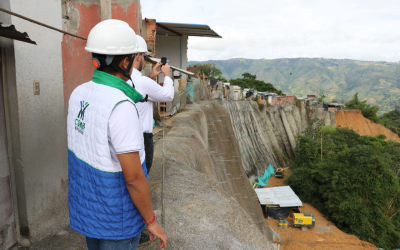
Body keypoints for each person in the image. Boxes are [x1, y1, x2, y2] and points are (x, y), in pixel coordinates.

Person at [67, 19, 167, 250]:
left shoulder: (78, 93)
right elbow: (132, 178)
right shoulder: (121, 106)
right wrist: (151, 221)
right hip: (115, 217)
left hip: (89, 209)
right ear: (125, 60)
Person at [129, 35, 174, 175]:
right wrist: (167, 75)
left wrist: (150, 77)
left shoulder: (123, 79)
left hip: (127, 135)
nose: (144, 59)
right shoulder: (143, 82)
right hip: (142, 139)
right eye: (143, 55)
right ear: (138, 56)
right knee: (141, 176)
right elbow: (168, 95)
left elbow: (139, 89)